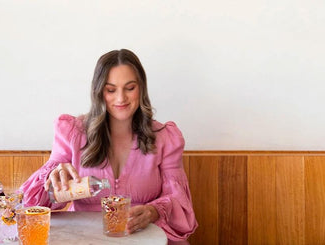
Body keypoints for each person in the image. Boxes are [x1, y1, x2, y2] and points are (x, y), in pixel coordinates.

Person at [20, 49, 198, 244]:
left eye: (130, 88)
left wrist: (154, 211)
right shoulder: (72, 133)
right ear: (98, 92)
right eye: (111, 90)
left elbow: (179, 201)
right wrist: (51, 176)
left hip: (146, 239)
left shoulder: (165, 138)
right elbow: (29, 205)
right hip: (84, 240)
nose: (121, 99)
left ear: (141, 89)